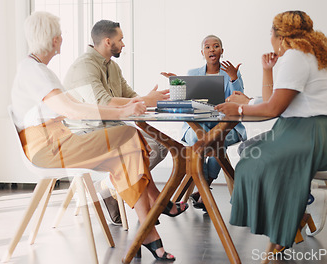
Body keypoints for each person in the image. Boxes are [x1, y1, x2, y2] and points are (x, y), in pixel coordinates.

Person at [12, 12, 187, 261]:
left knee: (126, 156)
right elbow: (72, 109)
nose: (62, 38)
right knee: (129, 136)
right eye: (59, 35)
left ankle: (148, 235)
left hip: (57, 139)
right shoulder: (36, 72)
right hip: (49, 147)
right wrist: (125, 109)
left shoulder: (39, 70)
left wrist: (135, 103)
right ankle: (158, 208)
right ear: (53, 40)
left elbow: (70, 105)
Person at [215, 10, 327, 251]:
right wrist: (267, 69)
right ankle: (292, 217)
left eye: (270, 34)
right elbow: (273, 101)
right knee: (253, 151)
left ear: (279, 36)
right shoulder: (313, 53)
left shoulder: (296, 57)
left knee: (252, 160)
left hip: (317, 135)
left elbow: (273, 109)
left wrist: (237, 111)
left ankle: (286, 221)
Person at [62, 20, 170, 224]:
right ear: (107, 41)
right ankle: (117, 189)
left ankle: (109, 187)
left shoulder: (113, 67)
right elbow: (104, 103)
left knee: (162, 144)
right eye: (121, 40)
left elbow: (130, 96)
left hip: (112, 127)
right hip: (86, 133)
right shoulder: (85, 66)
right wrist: (144, 100)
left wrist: (149, 99)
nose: (124, 44)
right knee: (146, 147)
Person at [227, 61, 327, 237]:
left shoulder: (308, 63)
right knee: (248, 148)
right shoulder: (315, 58)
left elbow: (281, 104)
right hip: (314, 130)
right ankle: (303, 195)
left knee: (254, 152)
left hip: (312, 136)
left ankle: (305, 199)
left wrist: (248, 102)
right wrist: (251, 100)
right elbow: (284, 97)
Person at [161, 34, 246, 211]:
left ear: (222, 51)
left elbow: (240, 99)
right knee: (198, 139)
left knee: (217, 140)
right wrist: (178, 83)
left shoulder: (233, 73)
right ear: (202, 52)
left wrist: (233, 78)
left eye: (216, 46)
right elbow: (185, 101)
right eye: (207, 47)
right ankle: (204, 191)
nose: (212, 49)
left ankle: (203, 187)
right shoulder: (193, 74)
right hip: (197, 125)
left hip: (226, 126)